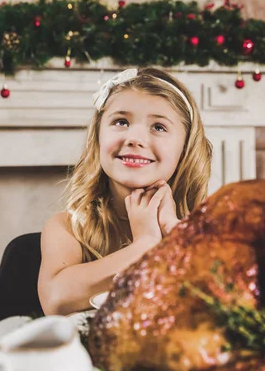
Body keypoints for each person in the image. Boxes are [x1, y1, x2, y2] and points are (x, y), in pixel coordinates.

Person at [38, 66, 212, 315]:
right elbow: (55, 300)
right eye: (121, 122)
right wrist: (145, 245)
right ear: (97, 138)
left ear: (185, 148)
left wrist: (175, 235)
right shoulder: (67, 227)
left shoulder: (208, 229)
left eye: (159, 127)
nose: (134, 138)